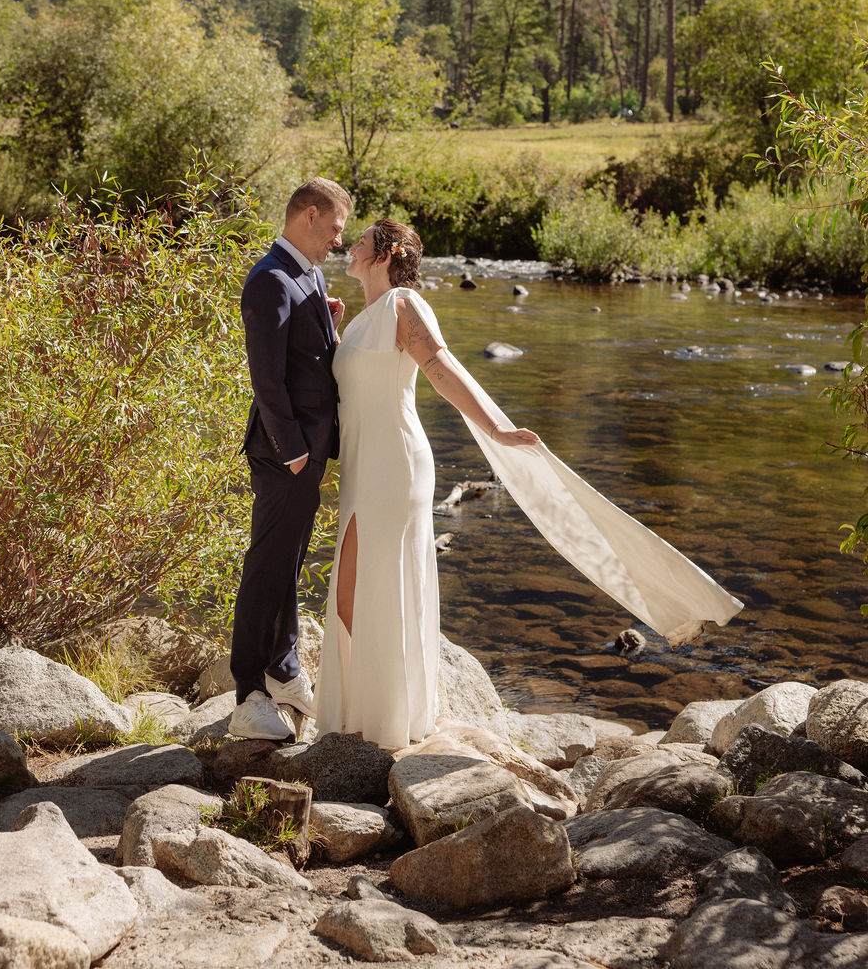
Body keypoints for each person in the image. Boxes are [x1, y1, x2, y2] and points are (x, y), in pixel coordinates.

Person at [314, 219, 743, 752]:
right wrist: (334, 330)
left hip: (395, 462)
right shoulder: (359, 317)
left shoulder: (405, 303)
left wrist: (495, 426)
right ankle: (359, 712)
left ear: (386, 254)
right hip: (362, 465)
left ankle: (385, 723)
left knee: (381, 584)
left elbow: (442, 367)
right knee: (351, 587)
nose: (348, 247)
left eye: (358, 241)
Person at [228, 177, 353, 741]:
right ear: (308, 215)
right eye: (332, 229)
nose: (335, 242)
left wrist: (329, 321)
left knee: (289, 564)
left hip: (307, 452)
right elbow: (268, 381)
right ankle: (248, 693)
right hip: (286, 455)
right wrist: (297, 454)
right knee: (266, 567)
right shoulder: (268, 280)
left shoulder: (308, 274)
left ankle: (284, 669)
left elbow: (306, 359)